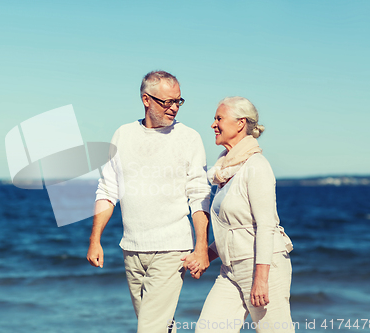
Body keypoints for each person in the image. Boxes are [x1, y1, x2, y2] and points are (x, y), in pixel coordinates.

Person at [87, 70, 211, 333]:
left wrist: (201, 247)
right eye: (167, 102)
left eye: (178, 101)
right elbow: (108, 189)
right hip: (132, 249)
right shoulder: (123, 135)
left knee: (149, 328)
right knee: (159, 325)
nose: (174, 108)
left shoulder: (189, 138)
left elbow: (199, 195)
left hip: (172, 249)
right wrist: (95, 240)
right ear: (146, 99)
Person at [186, 97, 294, 332]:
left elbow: (266, 226)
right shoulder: (224, 168)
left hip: (264, 267)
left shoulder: (256, 165)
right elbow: (233, 231)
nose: (213, 125)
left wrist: (261, 279)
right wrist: (205, 255)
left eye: (219, 118)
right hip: (230, 271)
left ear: (240, 123)